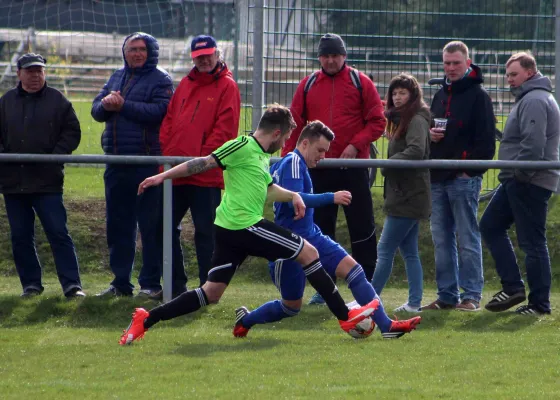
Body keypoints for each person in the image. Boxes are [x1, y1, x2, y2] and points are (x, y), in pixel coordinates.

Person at [119, 105, 379, 345]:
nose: (285, 144)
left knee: (211, 293)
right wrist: (161, 176)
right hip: (244, 225)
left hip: (230, 230)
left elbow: (267, 190)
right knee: (308, 252)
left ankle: (146, 319)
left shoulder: (261, 156)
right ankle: (345, 316)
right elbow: (201, 163)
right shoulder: (241, 145)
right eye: (286, 138)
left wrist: (293, 195)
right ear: (276, 132)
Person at [233, 120, 421, 339]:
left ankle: (387, 326)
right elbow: (296, 199)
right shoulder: (293, 161)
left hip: (312, 236)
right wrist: (332, 197)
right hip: (289, 244)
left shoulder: (300, 165)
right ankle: (245, 320)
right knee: (291, 306)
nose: (322, 156)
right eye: (319, 150)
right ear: (304, 143)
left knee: (355, 271)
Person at [283, 33, 386, 304]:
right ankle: (324, 287)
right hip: (318, 169)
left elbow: (377, 121)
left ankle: (367, 287)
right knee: (320, 230)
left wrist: (355, 145)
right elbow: (294, 124)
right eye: (325, 56)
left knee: (362, 229)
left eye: (335, 55)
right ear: (319, 58)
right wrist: (287, 159)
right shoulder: (307, 84)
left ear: (344, 56)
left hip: (352, 168)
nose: (330, 60)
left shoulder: (360, 82)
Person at [91, 32, 174, 297]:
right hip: (116, 163)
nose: (136, 53)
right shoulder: (117, 76)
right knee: (118, 226)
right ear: (124, 52)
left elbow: (159, 113)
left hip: (146, 163)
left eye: (141, 49)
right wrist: (105, 104)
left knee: (150, 226)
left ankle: (150, 284)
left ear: (151, 52)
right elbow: (96, 109)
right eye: (131, 49)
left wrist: (122, 105)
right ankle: (120, 283)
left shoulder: (161, 79)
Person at [157, 34, 240, 296]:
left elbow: (225, 131)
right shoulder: (185, 84)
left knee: (207, 233)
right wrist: (170, 156)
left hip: (205, 175)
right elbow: (169, 121)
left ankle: (209, 289)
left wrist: (201, 162)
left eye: (208, 55)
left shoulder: (228, 87)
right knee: (163, 226)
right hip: (177, 172)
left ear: (217, 55)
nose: (203, 60)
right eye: (198, 56)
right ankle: (174, 284)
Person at [480, 52, 559, 316]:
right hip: (520, 177)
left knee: (532, 242)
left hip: (528, 179)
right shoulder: (532, 97)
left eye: (514, 74)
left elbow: (533, 145)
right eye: (507, 74)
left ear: (529, 72)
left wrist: (520, 176)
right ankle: (513, 287)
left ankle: (539, 305)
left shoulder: (535, 100)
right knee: (490, 225)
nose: (509, 79)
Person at [0, 53, 84, 298]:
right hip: (13, 183)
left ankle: (72, 285)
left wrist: (55, 157)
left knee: (58, 232)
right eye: (30, 71)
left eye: (39, 71)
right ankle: (31, 286)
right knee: (20, 236)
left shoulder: (58, 101)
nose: (35, 75)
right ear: (19, 74)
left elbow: (72, 131)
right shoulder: (6, 102)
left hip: (48, 182)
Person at [421, 41, 496, 312]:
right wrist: (430, 135)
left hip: (464, 179)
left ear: (467, 63)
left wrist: (467, 168)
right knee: (441, 239)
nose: (451, 68)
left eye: (456, 63)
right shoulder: (440, 95)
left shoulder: (479, 96)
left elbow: (487, 143)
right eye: (447, 63)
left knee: (467, 237)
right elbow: (432, 128)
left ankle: (472, 295)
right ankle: (447, 296)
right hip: (438, 177)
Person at [371, 74, 431, 313]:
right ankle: (415, 303)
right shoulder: (402, 120)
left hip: (408, 195)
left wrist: (389, 163)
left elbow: (416, 150)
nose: (397, 98)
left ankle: (369, 299)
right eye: (394, 93)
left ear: (413, 95)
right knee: (409, 252)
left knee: (385, 250)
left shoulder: (416, 119)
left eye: (402, 93)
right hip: (405, 193)